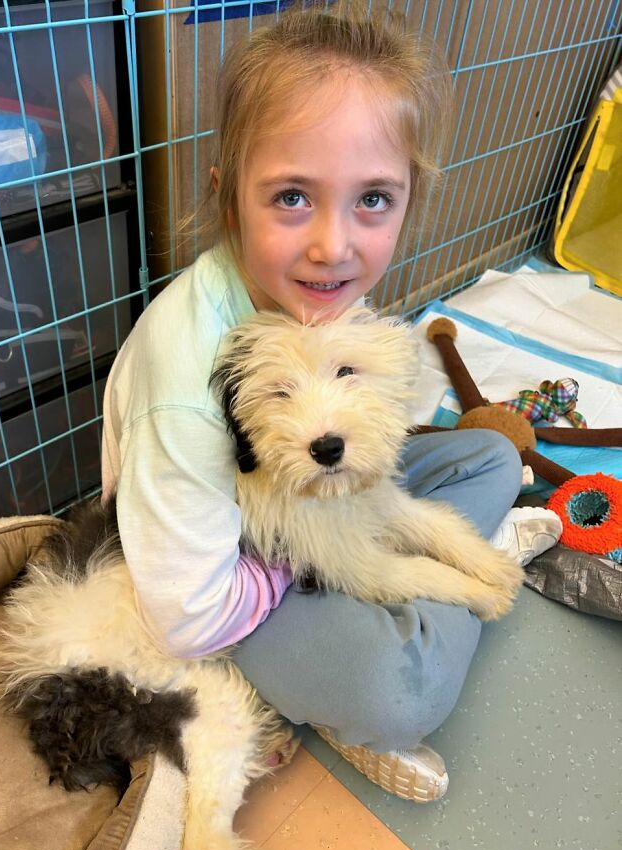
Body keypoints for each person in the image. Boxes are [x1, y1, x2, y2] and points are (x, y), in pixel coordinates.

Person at [101, 0, 561, 802]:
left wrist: (359, 509)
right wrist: (319, 561)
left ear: (409, 201)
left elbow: (362, 442)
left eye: (372, 199)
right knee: (405, 691)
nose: (332, 245)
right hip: (228, 583)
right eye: (291, 196)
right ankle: (374, 670)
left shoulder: (312, 293)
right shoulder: (184, 385)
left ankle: (420, 593)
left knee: (491, 453)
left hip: (319, 501)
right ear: (227, 197)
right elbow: (185, 618)